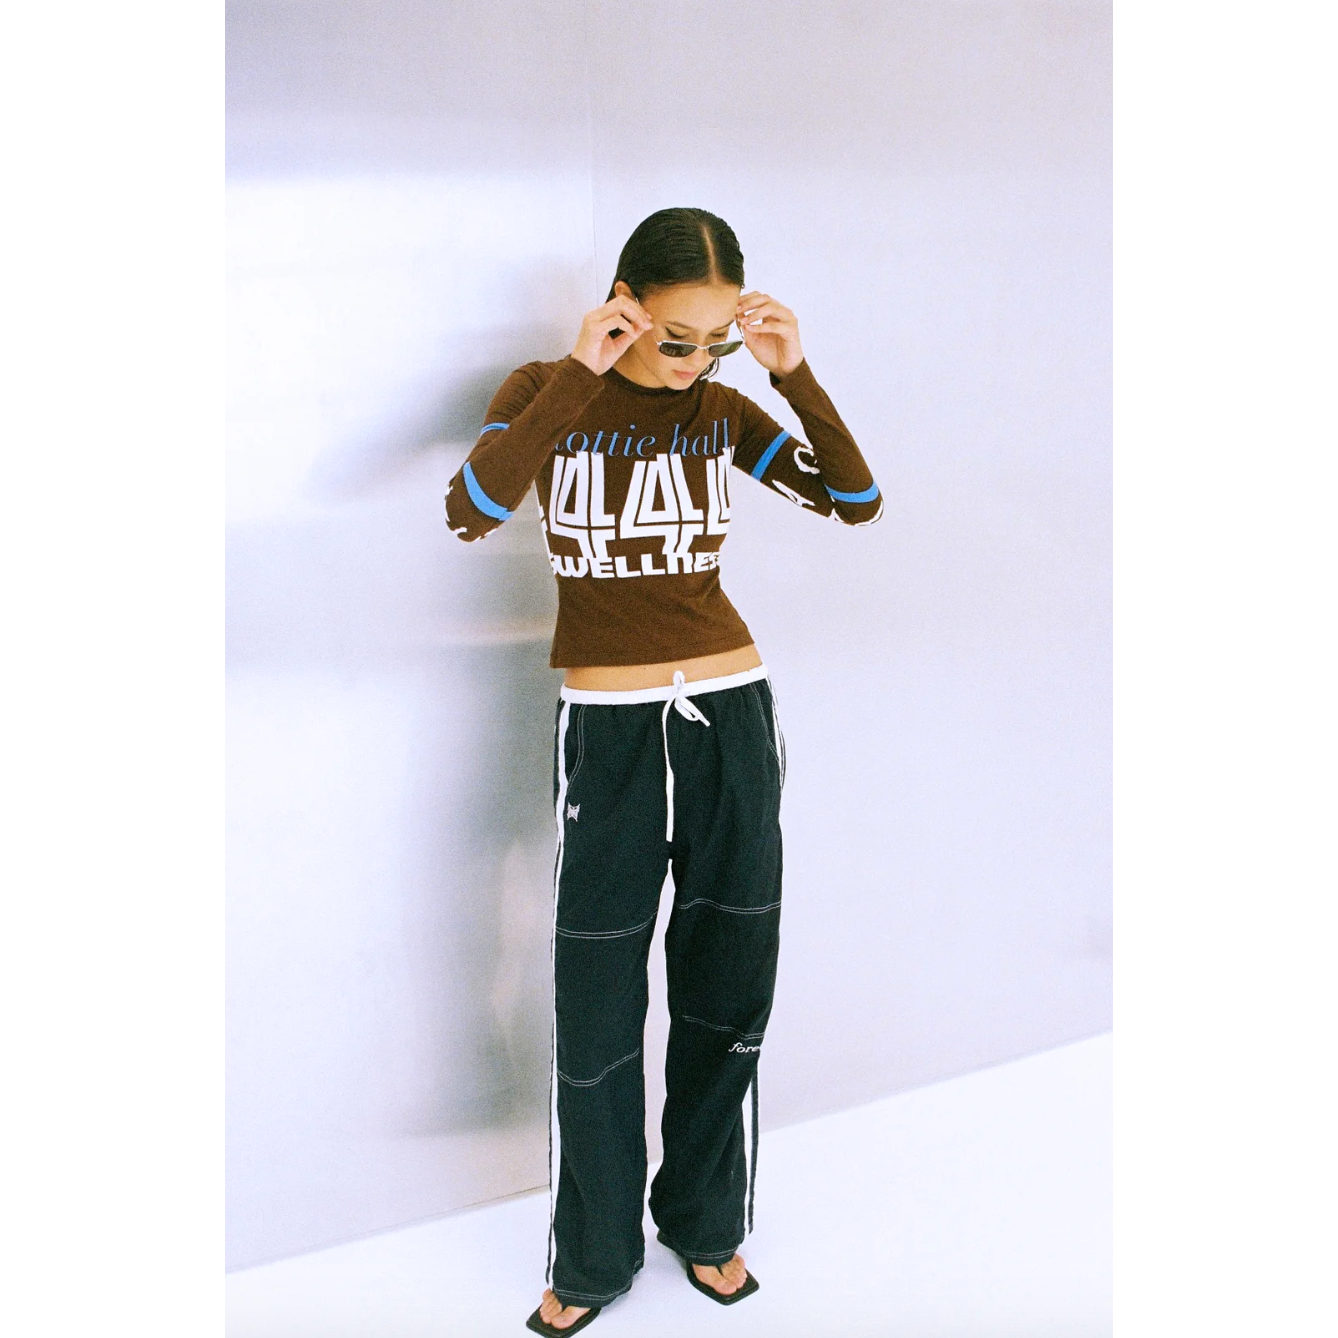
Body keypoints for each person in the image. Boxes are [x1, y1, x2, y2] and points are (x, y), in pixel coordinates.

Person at [444, 207, 882, 1335]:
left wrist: (791, 373)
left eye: (713, 342)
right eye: (674, 338)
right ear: (624, 305)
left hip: (731, 713)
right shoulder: (546, 390)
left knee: (729, 982)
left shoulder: (721, 413)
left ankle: (706, 1218)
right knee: (596, 996)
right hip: (610, 727)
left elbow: (855, 500)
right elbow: (471, 509)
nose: (692, 362)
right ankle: (593, 1255)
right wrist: (579, 378)